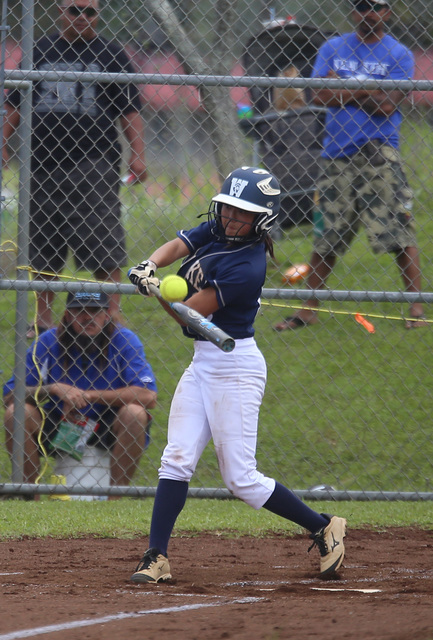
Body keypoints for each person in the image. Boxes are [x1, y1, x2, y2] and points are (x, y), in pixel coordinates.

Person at [127, 166, 346, 583]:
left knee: (241, 479)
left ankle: (323, 526)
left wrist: (155, 289)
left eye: (242, 213)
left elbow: (190, 317)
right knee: (176, 459)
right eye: (227, 208)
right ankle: (156, 556)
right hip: (203, 364)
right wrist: (149, 264)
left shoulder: (247, 266)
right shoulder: (220, 230)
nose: (230, 218)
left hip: (236, 367)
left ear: (260, 220)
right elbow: (178, 243)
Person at [275, 0, 427, 332]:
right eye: (361, 6)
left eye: (376, 7)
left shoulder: (399, 54)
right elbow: (316, 96)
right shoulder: (333, 47)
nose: (368, 12)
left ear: (386, 12)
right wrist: (366, 89)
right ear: (352, 11)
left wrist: (343, 86)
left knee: (398, 232)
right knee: (327, 235)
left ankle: (417, 306)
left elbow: (387, 106)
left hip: (379, 153)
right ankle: (308, 309)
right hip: (336, 154)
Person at [3, 0, 147, 338]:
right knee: (43, 243)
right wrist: (4, 147)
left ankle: (112, 314)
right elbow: (14, 103)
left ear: (98, 15)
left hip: (94, 163)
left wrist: (138, 156)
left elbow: (130, 110)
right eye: (74, 10)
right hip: (40, 163)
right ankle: (42, 318)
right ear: (60, 11)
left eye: (90, 11)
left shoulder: (111, 54)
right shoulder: (40, 50)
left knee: (103, 241)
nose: (82, 17)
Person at [3, 291, 157, 490]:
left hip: (106, 423)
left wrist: (88, 396)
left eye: (94, 311)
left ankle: (115, 500)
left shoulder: (124, 339)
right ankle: (29, 496)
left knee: (135, 413)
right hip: (60, 421)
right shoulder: (48, 340)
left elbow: (148, 395)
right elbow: (9, 395)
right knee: (16, 412)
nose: (87, 317)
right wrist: (53, 389)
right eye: (79, 311)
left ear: (107, 314)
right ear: (67, 315)